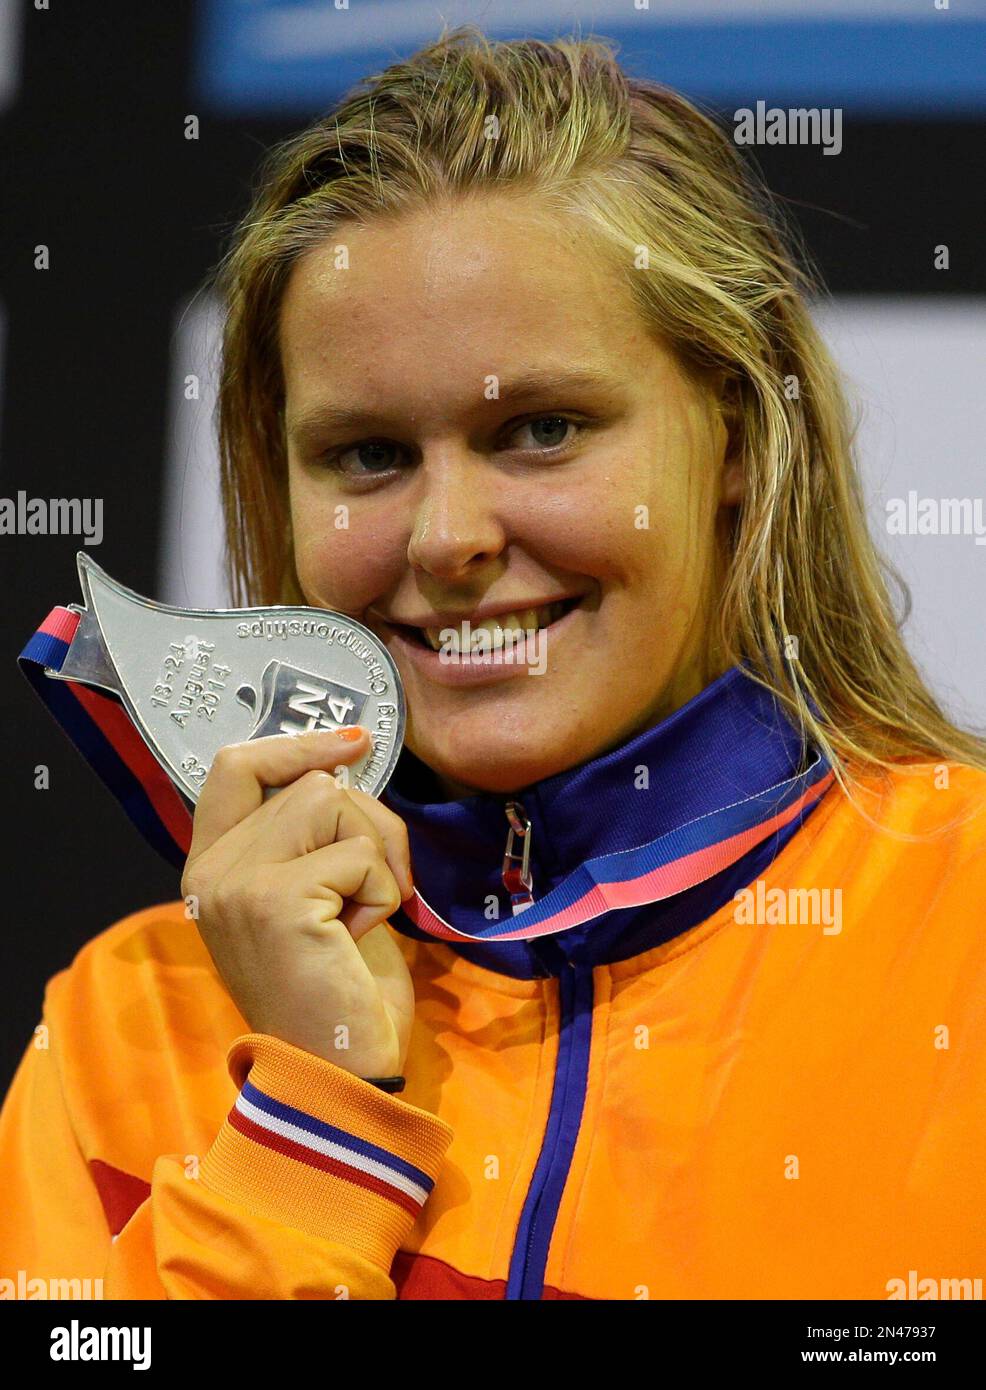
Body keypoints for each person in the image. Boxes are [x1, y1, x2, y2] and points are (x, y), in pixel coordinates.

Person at [1, 26, 984, 1302]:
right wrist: (312, 1125)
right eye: (365, 454)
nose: (448, 538)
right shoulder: (124, 1022)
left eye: (539, 429)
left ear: (736, 435)